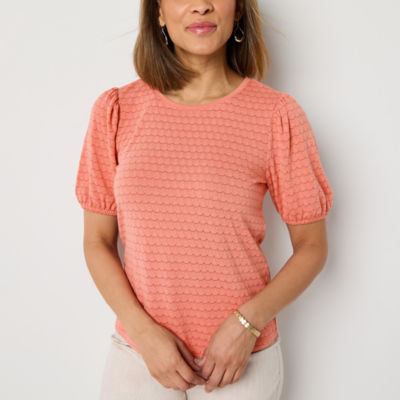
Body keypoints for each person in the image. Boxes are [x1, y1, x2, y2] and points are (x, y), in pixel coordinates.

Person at [74, 1, 334, 399]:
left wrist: (247, 324)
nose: (201, 6)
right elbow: (97, 242)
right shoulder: (117, 111)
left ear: (239, 10)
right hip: (139, 356)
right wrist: (143, 333)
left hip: (241, 359)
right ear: (158, 12)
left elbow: (312, 247)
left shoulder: (275, 115)